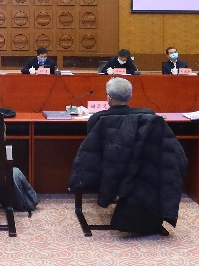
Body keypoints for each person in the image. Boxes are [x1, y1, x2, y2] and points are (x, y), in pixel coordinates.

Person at [68, 77, 188, 235]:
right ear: (130, 96)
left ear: (108, 98)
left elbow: (93, 149)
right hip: (141, 170)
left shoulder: (98, 118)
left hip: (110, 169)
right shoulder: (149, 115)